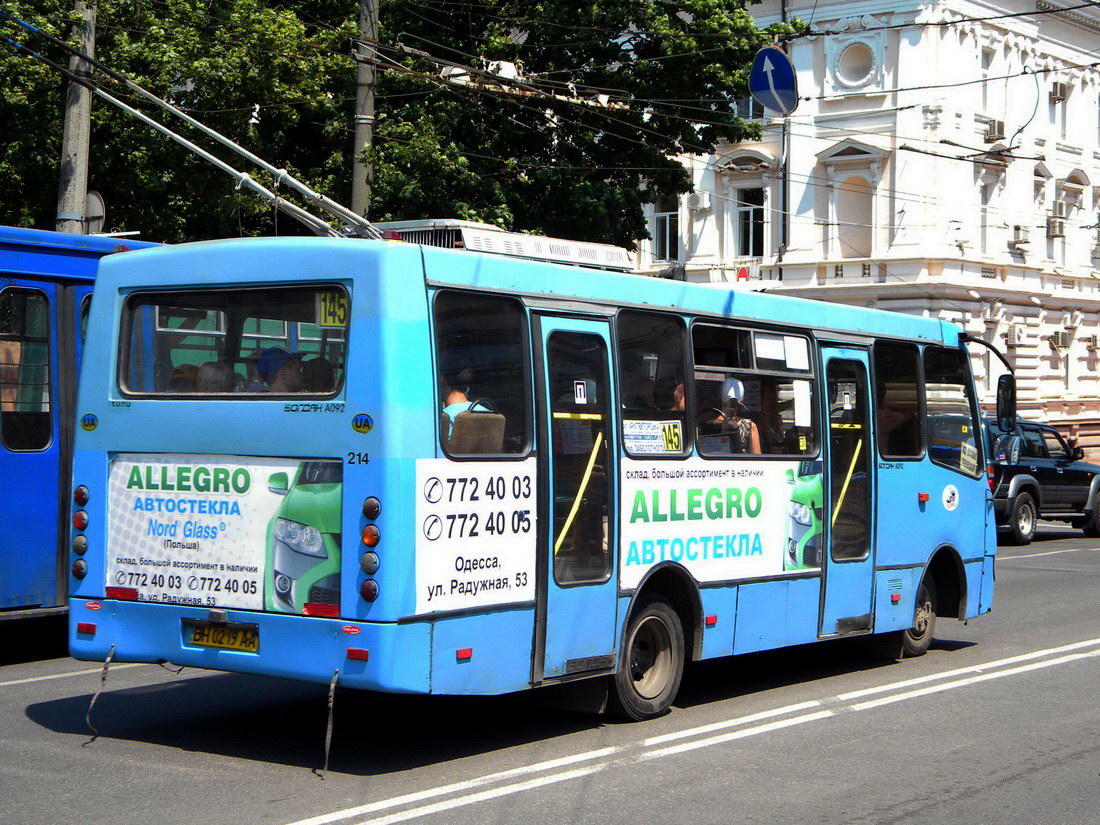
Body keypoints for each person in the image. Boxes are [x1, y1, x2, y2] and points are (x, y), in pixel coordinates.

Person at [719, 377, 761, 454]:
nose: (731, 409)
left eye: (734, 405)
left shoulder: (709, 422)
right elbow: (757, 458)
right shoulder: (749, 426)